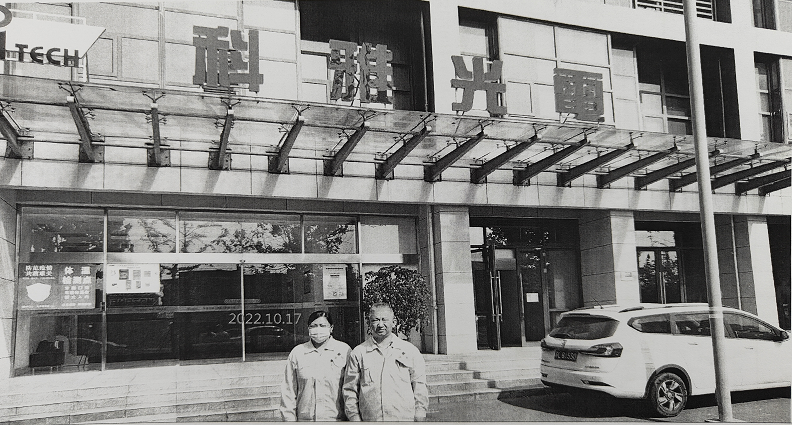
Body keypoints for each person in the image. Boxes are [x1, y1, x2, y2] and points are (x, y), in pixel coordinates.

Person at [343, 303, 428, 421]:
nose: (380, 324)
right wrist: (355, 418)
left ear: (394, 322)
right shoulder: (359, 353)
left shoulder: (409, 351)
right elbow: (350, 390)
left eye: (384, 320)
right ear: (369, 323)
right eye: (375, 320)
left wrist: (420, 413)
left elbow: (419, 385)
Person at [280, 311, 351, 421]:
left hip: (335, 420)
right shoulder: (298, 353)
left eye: (322, 325)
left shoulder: (344, 351)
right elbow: (288, 392)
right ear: (308, 328)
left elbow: (351, 390)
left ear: (331, 328)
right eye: (313, 326)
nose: (318, 329)